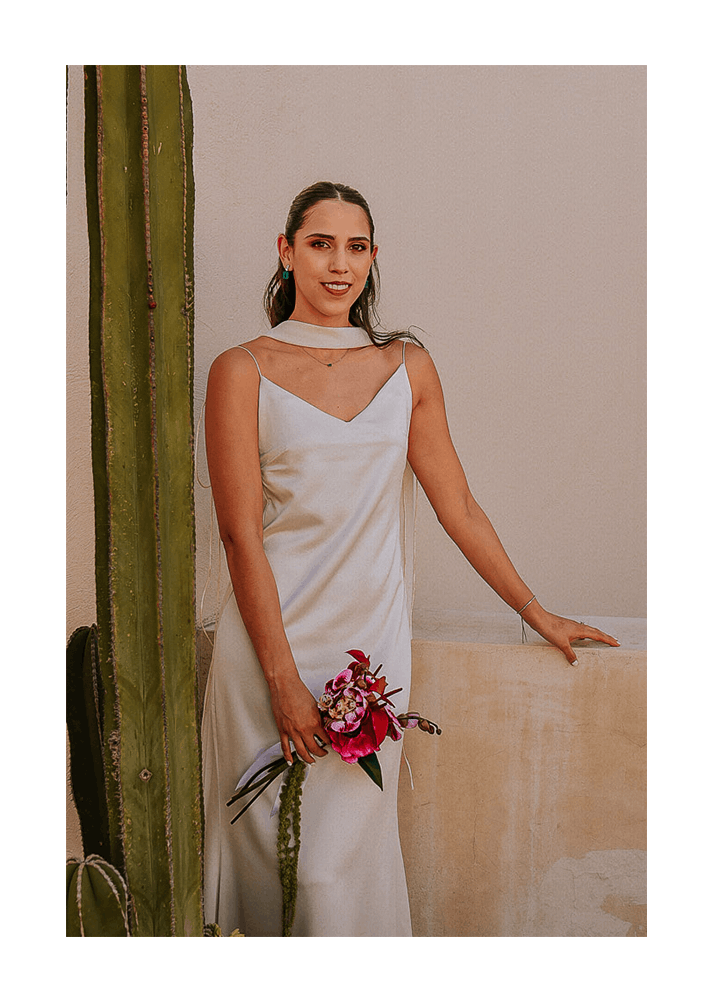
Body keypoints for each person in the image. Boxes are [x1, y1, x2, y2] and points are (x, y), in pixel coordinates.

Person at [198, 181, 617, 936]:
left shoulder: (407, 367)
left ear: (373, 258)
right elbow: (239, 535)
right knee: (276, 875)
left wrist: (534, 610)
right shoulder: (241, 370)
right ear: (286, 251)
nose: (338, 264)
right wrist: (282, 678)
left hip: (368, 653)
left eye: (355, 246)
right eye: (320, 243)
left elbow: (458, 507)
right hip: (270, 651)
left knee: (333, 872)